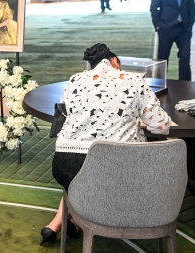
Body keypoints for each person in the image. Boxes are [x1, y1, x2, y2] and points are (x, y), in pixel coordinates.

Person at [39, 43, 171, 245]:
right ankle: (69, 219)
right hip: (116, 170)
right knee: (104, 162)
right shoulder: (134, 80)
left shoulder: (74, 80)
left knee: (83, 172)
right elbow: (161, 126)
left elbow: (66, 117)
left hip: (65, 166)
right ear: (115, 62)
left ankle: (65, 221)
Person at [150, 0, 195, 81]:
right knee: (162, 59)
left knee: (185, 57)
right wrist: (158, 25)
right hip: (166, 28)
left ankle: (186, 85)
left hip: (184, 29)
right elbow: (154, 7)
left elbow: (192, 7)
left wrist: (189, 26)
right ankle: (159, 84)